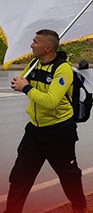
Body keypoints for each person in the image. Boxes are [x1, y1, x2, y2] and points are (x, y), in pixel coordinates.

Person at [6, 29, 87, 213]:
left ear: (48, 47)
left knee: (68, 176)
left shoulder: (63, 68)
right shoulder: (34, 63)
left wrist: (26, 88)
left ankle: (80, 207)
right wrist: (20, 82)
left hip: (59, 132)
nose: (31, 45)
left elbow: (51, 101)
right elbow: (22, 81)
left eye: (35, 42)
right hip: (34, 131)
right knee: (20, 176)